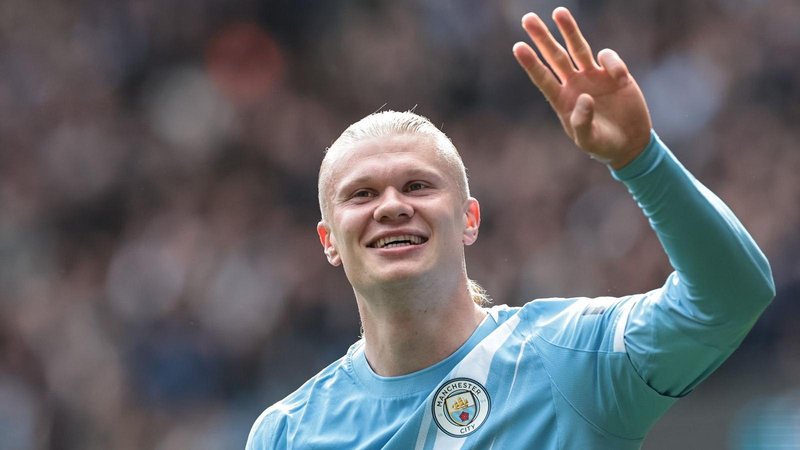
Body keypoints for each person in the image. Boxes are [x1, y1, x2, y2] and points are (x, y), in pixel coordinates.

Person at [247, 7, 775, 449]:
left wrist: (641, 160)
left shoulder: (569, 361)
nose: (391, 206)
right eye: (362, 194)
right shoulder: (288, 432)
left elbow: (729, 298)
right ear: (329, 242)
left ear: (470, 221)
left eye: (417, 186)